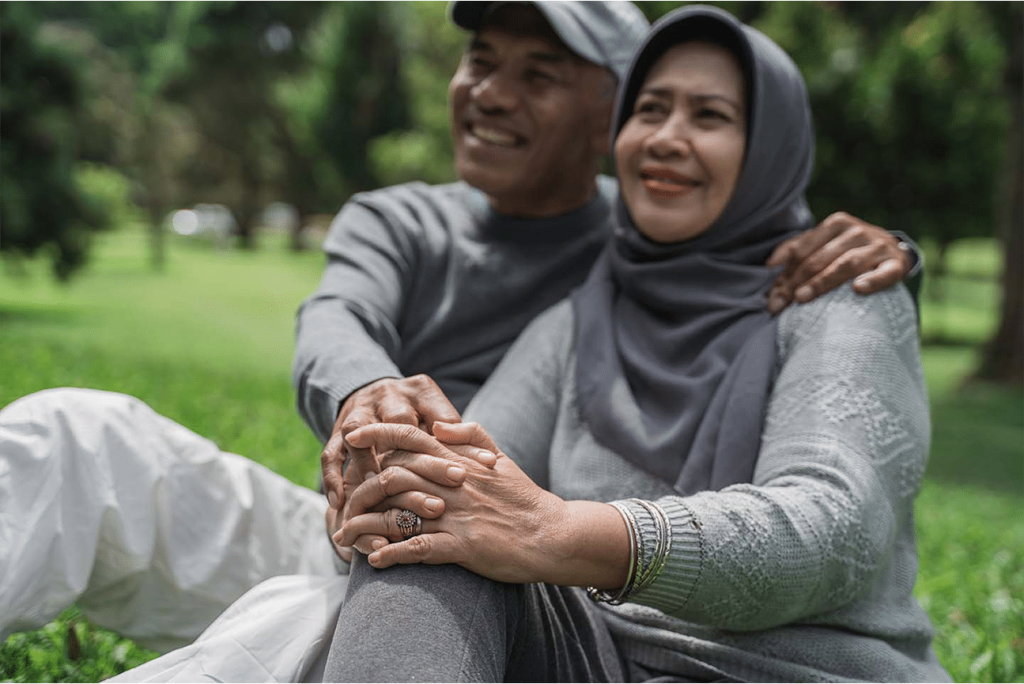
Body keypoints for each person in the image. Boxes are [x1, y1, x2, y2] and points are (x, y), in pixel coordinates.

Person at [0, 0, 916, 657]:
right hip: (387, 539)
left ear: (604, 112)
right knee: (77, 435)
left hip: (522, 570)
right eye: (480, 58)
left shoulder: (669, 243)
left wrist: (887, 256)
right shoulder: (408, 223)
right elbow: (336, 318)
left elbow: (830, 478)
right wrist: (372, 406)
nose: (490, 93)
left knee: (378, 577)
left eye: (539, 74)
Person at [313, 5, 949, 682]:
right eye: (650, 110)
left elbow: (833, 534)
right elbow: (459, 472)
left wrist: (556, 532)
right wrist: (394, 490)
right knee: (439, 533)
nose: (668, 138)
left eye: (709, 116)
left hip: (786, 670)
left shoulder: (841, 292)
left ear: (771, 147)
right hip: (599, 659)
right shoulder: (581, 316)